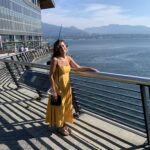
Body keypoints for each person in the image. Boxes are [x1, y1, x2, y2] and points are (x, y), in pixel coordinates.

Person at [45, 39, 99, 136]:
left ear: (66, 46)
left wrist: (90, 69)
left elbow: (78, 68)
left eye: (63, 45)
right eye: (59, 47)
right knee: (59, 108)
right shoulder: (55, 60)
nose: (62, 48)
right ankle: (60, 127)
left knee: (66, 107)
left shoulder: (68, 58)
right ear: (57, 49)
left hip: (66, 88)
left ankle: (63, 124)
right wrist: (53, 90)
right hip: (57, 89)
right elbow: (51, 76)